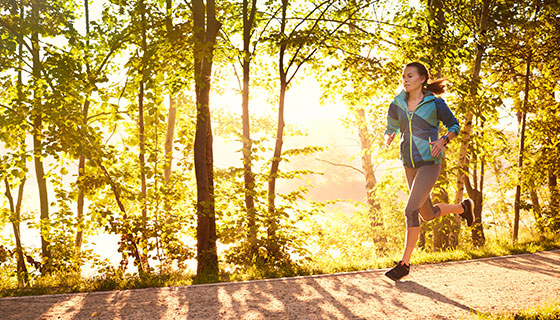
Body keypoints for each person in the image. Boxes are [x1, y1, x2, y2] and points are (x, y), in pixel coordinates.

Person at [383, 62, 475, 281]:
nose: (405, 80)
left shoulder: (435, 104)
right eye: (403, 76)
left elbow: (454, 126)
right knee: (427, 214)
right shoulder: (397, 103)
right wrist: (389, 135)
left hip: (429, 162)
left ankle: (404, 264)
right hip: (409, 162)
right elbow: (392, 125)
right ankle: (462, 208)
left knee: (410, 210)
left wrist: (443, 140)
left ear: (422, 79)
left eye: (410, 76)